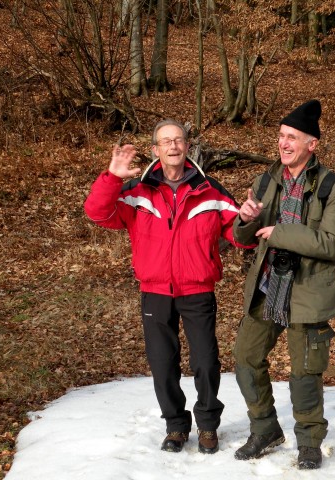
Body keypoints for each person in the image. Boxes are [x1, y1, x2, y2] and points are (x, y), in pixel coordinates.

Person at [84, 119, 251, 455]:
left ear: (188, 147)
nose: (173, 146)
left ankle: (207, 427)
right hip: (156, 291)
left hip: (197, 289)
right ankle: (175, 426)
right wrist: (113, 177)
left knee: (205, 362)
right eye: (166, 141)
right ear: (155, 150)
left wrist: (247, 219)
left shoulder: (211, 190)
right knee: (163, 364)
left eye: (179, 140)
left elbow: (239, 235)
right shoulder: (137, 192)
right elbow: (97, 213)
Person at [232, 100, 335, 470]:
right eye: (281, 136)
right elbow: (243, 236)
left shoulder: (334, 187)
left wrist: (280, 233)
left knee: (304, 372)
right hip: (269, 284)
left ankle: (309, 442)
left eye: (292, 137)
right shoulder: (266, 180)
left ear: (311, 144)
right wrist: (246, 218)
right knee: (245, 358)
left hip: (309, 290)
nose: (284, 144)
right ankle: (266, 429)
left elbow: (334, 244)